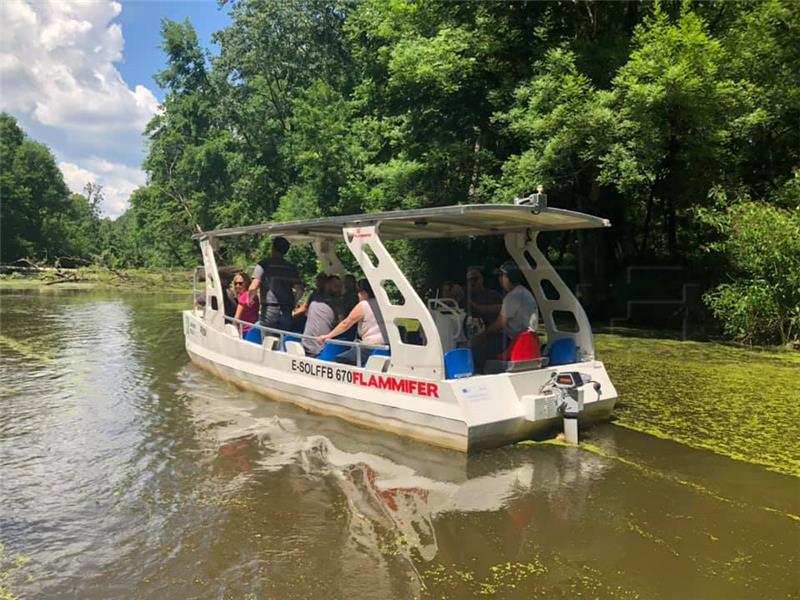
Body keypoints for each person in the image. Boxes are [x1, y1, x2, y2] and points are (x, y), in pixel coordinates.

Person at [469, 261, 538, 368]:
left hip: (512, 340)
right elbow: (501, 308)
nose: (500, 279)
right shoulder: (524, 293)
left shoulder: (512, 296)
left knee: (476, 351)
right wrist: (479, 308)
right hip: (526, 339)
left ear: (508, 277)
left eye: (502, 275)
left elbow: (499, 324)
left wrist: (481, 336)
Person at [318, 279, 388, 365]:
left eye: (359, 293)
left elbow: (346, 323)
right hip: (385, 346)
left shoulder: (363, 305)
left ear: (364, 293)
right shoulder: (384, 305)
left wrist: (327, 336)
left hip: (369, 347)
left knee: (338, 360)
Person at [247, 236, 300, 332]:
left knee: (268, 341)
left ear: (273, 248)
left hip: (269, 310)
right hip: (286, 310)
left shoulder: (264, 264)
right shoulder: (291, 267)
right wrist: (294, 302)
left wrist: (250, 299)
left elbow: (253, 287)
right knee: (283, 341)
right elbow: (300, 289)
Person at [301, 276, 341, 356]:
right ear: (327, 285)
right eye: (335, 286)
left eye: (339, 286)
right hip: (319, 347)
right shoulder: (337, 302)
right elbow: (341, 322)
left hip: (308, 345)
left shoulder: (315, 297)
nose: (338, 289)